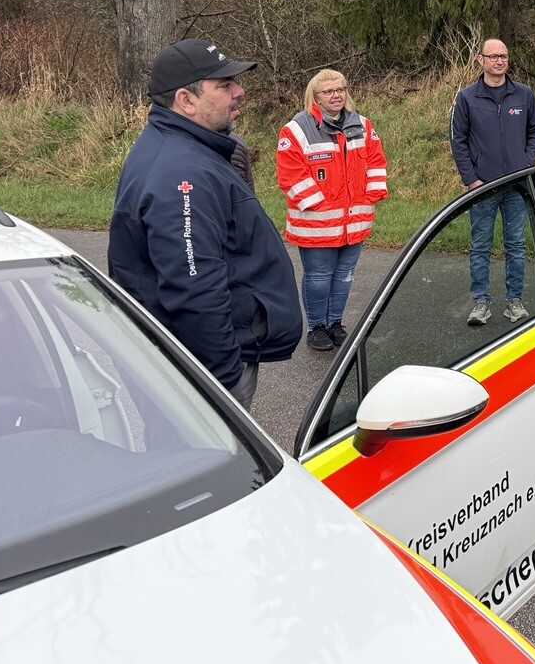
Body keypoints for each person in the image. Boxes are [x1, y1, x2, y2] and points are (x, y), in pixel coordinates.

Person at [109, 39, 302, 409]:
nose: (239, 92)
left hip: (195, 361)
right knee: (221, 447)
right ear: (186, 100)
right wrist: (222, 382)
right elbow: (193, 289)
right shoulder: (183, 173)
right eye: (225, 85)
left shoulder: (182, 148)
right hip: (209, 371)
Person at [277, 69, 389, 351]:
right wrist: (321, 206)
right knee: (318, 278)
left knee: (344, 276)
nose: (336, 95)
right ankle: (317, 327)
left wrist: (370, 196)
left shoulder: (362, 125)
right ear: (315, 96)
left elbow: (376, 162)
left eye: (340, 89)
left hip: (355, 221)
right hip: (317, 225)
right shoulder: (296, 129)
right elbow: (291, 175)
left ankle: (335, 323)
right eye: (328, 91)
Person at [449, 38, 535, 326]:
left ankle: (514, 301)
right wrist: (471, 179)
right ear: (481, 60)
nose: (499, 61)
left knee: (515, 244)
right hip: (483, 187)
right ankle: (481, 303)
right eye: (493, 56)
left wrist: (526, 162)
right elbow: (458, 140)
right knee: (480, 244)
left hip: (516, 185)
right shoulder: (467, 97)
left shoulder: (523, 94)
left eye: (503, 56)